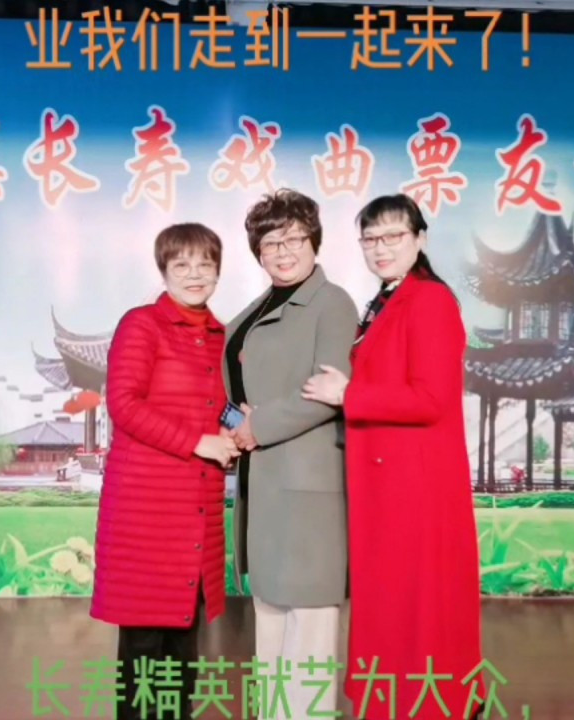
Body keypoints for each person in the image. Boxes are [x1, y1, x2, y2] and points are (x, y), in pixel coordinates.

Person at [302, 194, 485, 720]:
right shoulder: (389, 298)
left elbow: (431, 400)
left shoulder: (428, 300)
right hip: (391, 484)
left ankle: (429, 706)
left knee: (418, 609)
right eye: (370, 239)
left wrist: (348, 394)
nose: (380, 249)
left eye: (393, 237)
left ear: (419, 238)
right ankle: (398, 703)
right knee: (394, 607)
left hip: (415, 489)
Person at [91, 223, 240, 720]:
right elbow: (124, 404)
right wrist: (199, 442)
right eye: (182, 265)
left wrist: (239, 431)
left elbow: (220, 409)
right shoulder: (142, 325)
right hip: (146, 515)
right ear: (164, 270)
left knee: (182, 652)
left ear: (218, 270)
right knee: (142, 652)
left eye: (205, 264)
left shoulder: (220, 336)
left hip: (195, 515)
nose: (195, 274)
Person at [223, 189, 358, 719]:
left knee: (311, 633)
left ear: (314, 241)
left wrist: (256, 427)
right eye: (271, 243)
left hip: (309, 489)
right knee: (272, 628)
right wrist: (236, 426)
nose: (283, 252)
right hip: (265, 485)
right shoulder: (256, 309)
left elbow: (328, 390)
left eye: (294, 239)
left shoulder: (332, 303)